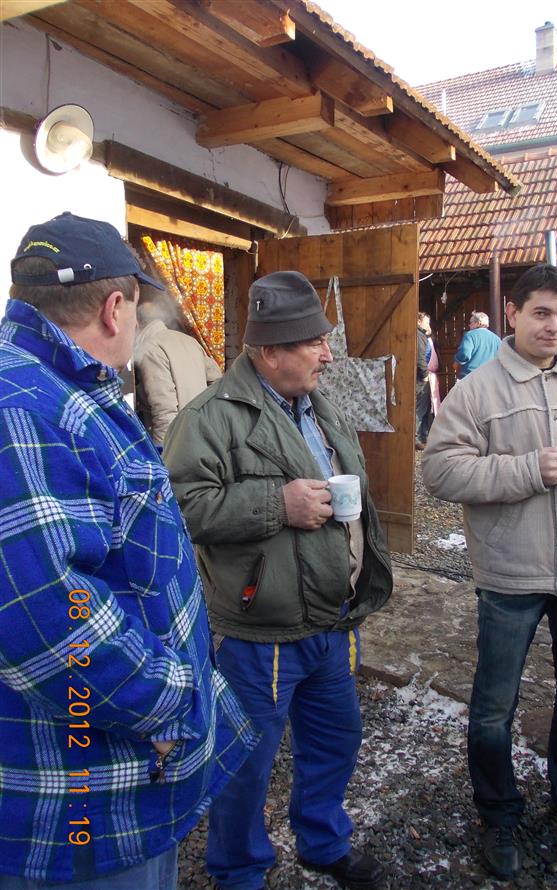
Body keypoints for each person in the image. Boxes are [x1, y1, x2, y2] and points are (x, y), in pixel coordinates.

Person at [0, 212, 256, 889]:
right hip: (81, 806)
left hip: (111, 774)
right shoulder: (24, 409)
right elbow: (47, 619)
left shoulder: (54, 387)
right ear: (115, 308)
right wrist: (168, 700)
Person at [163, 271, 393, 890]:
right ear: (269, 351)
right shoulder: (208, 418)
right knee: (246, 764)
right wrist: (276, 505)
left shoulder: (319, 406)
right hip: (260, 635)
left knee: (336, 741)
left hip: (334, 622)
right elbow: (178, 509)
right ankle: (239, 871)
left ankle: (323, 842)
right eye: (314, 343)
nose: (328, 354)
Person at [422, 264, 557, 881]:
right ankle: (498, 815)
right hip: (511, 574)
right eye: (541, 313)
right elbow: (439, 470)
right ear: (513, 314)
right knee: (494, 707)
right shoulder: (476, 392)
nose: (554, 326)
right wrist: (526, 469)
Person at [134, 283, 222, 445]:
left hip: (178, 442)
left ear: (137, 323)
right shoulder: (190, 341)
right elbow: (218, 383)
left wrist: (162, 455)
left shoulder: (149, 349)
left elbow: (164, 413)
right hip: (201, 434)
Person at [453, 310, 501, 379]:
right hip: (491, 378)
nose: (469, 325)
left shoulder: (470, 335)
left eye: (471, 323)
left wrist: (457, 362)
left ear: (478, 323)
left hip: (471, 377)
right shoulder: (497, 339)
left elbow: (465, 353)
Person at [415, 311, 431, 449]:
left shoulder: (420, 335)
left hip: (419, 376)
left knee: (422, 407)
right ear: (418, 322)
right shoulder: (419, 336)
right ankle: (416, 438)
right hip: (419, 378)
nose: (428, 325)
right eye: (426, 322)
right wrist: (425, 374)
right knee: (420, 408)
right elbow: (420, 357)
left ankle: (421, 436)